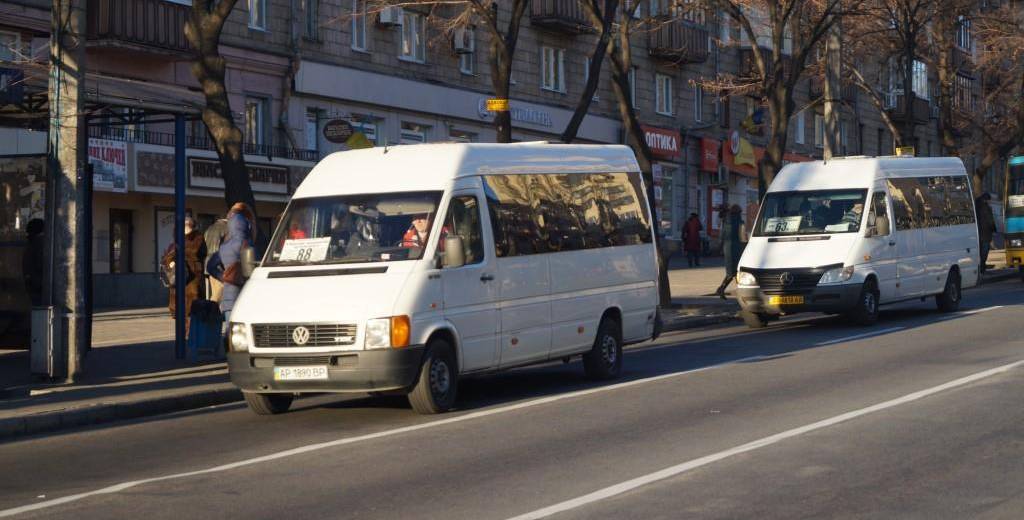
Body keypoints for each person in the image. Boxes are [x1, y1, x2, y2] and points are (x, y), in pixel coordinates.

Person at [162, 216, 207, 332]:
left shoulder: (197, 238)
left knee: (192, 308)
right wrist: (170, 261)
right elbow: (167, 257)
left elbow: (192, 252)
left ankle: (191, 333)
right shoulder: (178, 240)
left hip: (192, 278)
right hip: (179, 279)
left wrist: (174, 255)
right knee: (181, 309)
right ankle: (186, 332)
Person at [217, 203, 255, 319]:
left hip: (228, 298)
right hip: (244, 295)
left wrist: (222, 276)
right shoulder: (248, 244)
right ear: (246, 225)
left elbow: (210, 266)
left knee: (229, 333)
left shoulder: (224, 245)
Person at [715, 205, 745, 299]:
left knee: (733, 272)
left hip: (727, 249)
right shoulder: (740, 223)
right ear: (738, 213)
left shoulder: (725, 222)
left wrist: (719, 248)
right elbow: (743, 238)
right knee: (735, 272)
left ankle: (723, 289)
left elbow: (721, 237)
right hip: (738, 249)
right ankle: (722, 289)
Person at [22, 218, 45, 306]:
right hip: (39, 285)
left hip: (33, 285)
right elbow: (41, 264)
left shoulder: (31, 244)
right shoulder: (40, 243)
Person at [203, 217, 227, 302]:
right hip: (218, 265)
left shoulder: (209, 229)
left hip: (208, 264)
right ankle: (209, 312)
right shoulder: (226, 228)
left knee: (214, 292)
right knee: (218, 294)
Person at [975, 192, 997, 274]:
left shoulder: (976, 206)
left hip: (977, 232)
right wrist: (994, 229)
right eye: (989, 200)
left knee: (980, 250)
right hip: (986, 233)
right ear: (986, 200)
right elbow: (990, 221)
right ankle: (982, 266)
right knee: (985, 250)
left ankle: (980, 266)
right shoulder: (987, 208)